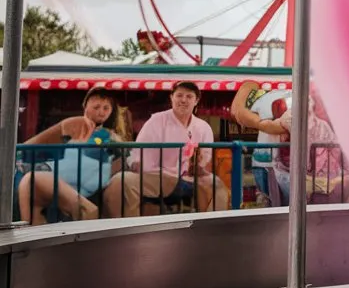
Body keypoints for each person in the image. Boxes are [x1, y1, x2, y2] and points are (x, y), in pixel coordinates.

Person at [102, 82, 229, 216]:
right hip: (157, 175)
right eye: (179, 95)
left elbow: (206, 158)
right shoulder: (156, 120)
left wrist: (199, 166)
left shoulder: (204, 127)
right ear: (171, 98)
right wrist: (136, 163)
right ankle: (128, 228)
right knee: (121, 180)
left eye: (189, 97)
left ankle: (211, 228)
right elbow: (137, 153)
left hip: (190, 178)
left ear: (196, 101)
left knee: (217, 185)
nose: (183, 100)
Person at [16, 87, 129, 223]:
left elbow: (120, 161)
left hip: (85, 177)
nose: (101, 112)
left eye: (106, 108)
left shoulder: (111, 137)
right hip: (58, 172)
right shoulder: (71, 128)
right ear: (85, 106)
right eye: (96, 107)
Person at [231, 81, 290, 205]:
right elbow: (236, 111)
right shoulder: (264, 93)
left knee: (287, 206)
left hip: (289, 166)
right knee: (270, 204)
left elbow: (278, 127)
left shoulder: (303, 94)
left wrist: (247, 87)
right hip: (263, 162)